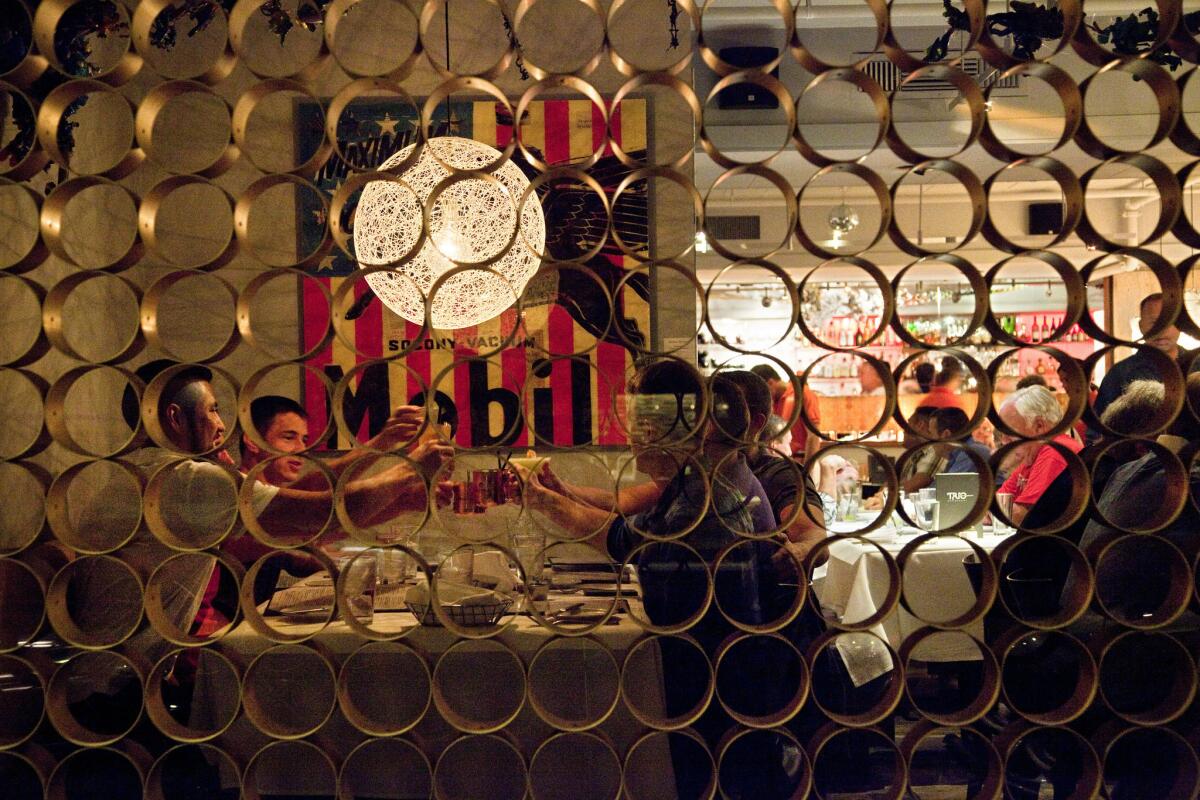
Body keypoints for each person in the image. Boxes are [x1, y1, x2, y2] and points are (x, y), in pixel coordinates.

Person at [524, 365, 795, 796]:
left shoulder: (704, 494)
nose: (633, 438)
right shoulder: (698, 477)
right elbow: (631, 528)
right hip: (720, 669)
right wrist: (555, 495)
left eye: (642, 424)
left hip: (717, 686)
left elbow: (621, 539)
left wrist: (544, 502)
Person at [995, 385, 1082, 526]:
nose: (1004, 442)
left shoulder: (1056, 451)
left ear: (1039, 426)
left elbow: (1023, 516)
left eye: (1009, 432)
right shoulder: (1033, 455)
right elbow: (998, 504)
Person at [1093, 293, 1181, 420]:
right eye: (1154, 323)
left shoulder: (1195, 365)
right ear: (1141, 326)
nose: (1162, 331)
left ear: (1181, 325)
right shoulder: (1121, 373)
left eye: (1169, 321)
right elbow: (1098, 429)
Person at [751, 363, 822, 463]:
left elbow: (813, 435)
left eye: (762, 391)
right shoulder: (773, 401)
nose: (761, 396)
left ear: (770, 382)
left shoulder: (802, 394)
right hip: (781, 461)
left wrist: (808, 469)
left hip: (801, 460)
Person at [932, 407, 991, 474]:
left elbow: (949, 484)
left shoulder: (972, 452)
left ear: (946, 435)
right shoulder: (956, 456)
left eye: (931, 434)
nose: (929, 440)